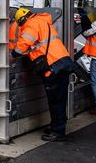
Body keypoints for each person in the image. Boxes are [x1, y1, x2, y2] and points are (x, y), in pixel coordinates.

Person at [10, 7, 74, 142]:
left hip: (53, 66)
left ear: (22, 20)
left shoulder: (31, 24)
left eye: (20, 24)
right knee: (59, 99)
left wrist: (13, 53)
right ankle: (56, 126)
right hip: (62, 61)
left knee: (55, 100)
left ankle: (58, 131)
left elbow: (23, 44)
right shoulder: (43, 21)